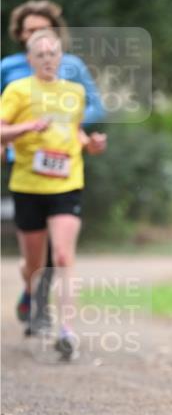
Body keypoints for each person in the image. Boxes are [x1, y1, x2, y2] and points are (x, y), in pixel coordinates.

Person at [1, 29, 107, 358]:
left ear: (61, 58)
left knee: (62, 257)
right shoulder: (18, 90)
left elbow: (72, 131)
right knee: (34, 265)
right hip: (28, 184)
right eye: (41, 55)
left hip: (66, 182)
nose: (48, 60)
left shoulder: (74, 92)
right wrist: (26, 128)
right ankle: (34, 299)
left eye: (53, 54)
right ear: (30, 59)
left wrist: (90, 144)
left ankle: (67, 331)